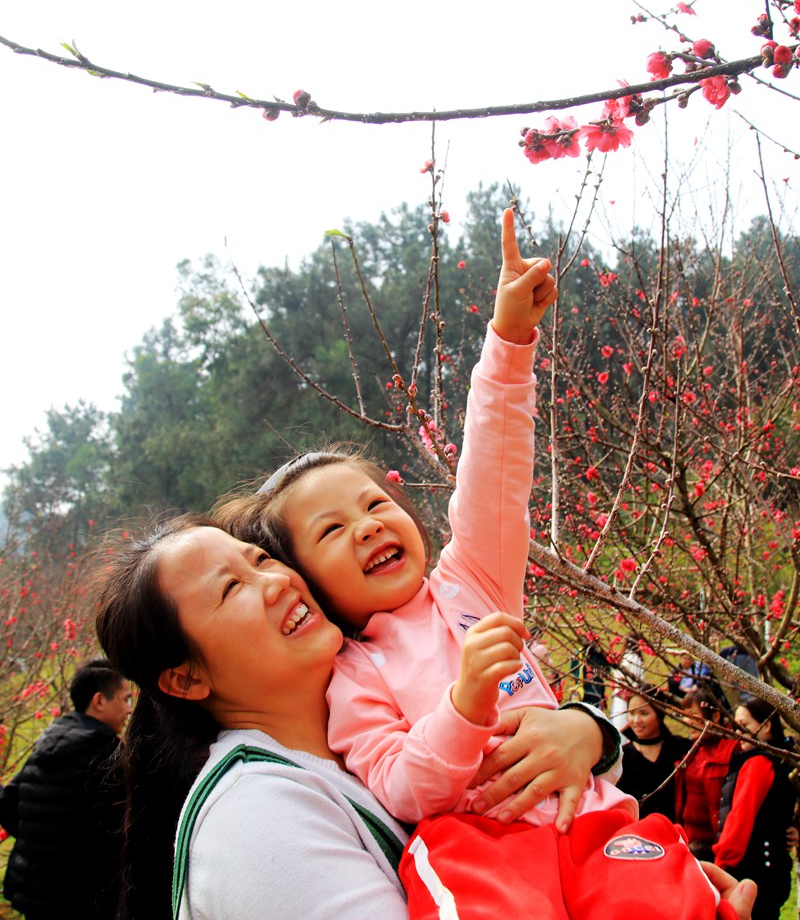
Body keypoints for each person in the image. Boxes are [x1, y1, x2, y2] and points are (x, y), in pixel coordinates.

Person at [215, 211, 740, 920]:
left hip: (589, 819)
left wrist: (510, 341)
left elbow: (494, 472)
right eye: (333, 530)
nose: (367, 526)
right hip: (481, 848)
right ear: (306, 578)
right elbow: (401, 788)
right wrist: (464, 704)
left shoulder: (472, 583)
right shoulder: (353, 674)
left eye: (374, 503)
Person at [93, 516, 627, 920]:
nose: (275, 581)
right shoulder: (254, 819)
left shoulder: (372, 736)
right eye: (231, 589)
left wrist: (587, 734)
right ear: (186, 680)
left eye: (258, 559)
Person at [0, 657, 131, 920]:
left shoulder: (49, 740)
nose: (129, 709)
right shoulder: (104, 753)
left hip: (36, 891)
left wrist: (41, 842)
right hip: (82, 898)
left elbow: (7, 801)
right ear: (99, 701)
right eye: (125, 699)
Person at [714, 697, 796, 920]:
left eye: (744, 725)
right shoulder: (782, 761)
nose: (737, 733)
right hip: (772, 870)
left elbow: (740, 818)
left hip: (750, 873)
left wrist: (721, 865)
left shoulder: (758, 763)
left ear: (766, 726)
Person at [676, 688, 739, 861]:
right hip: (687, 841)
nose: (688, 721)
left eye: (694, 715)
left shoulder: (732, 750)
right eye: (685, 715)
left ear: (716, 716)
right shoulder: (691, 750)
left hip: (713, 845)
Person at [618, 689, 691, 819]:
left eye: (644, 713)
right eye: (631, 713)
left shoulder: (682, 749)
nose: (636, 720)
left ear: (659, 714)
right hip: (638, 834)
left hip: (678, 833)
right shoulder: (622, 757)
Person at [608, 635, 646, 730]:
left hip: (624, 696)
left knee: (620, 723)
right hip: (630, 695)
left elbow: (621, 677)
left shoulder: (629, 659)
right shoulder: (637, 659)